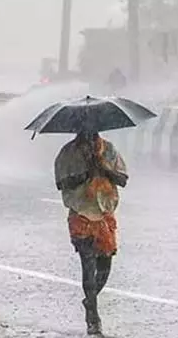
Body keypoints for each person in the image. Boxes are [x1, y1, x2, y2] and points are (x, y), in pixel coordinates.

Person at [54, 129, 128, 335]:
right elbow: (60, 183)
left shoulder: (109, 150)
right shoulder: (68, 153)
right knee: (88, 266)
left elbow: (122, 179)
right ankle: (93, 318)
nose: (90, 135)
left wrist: (104, 169)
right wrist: (84, 174)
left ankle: (90, 300)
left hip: (104, 214)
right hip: (80, 214)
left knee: (105, 264)